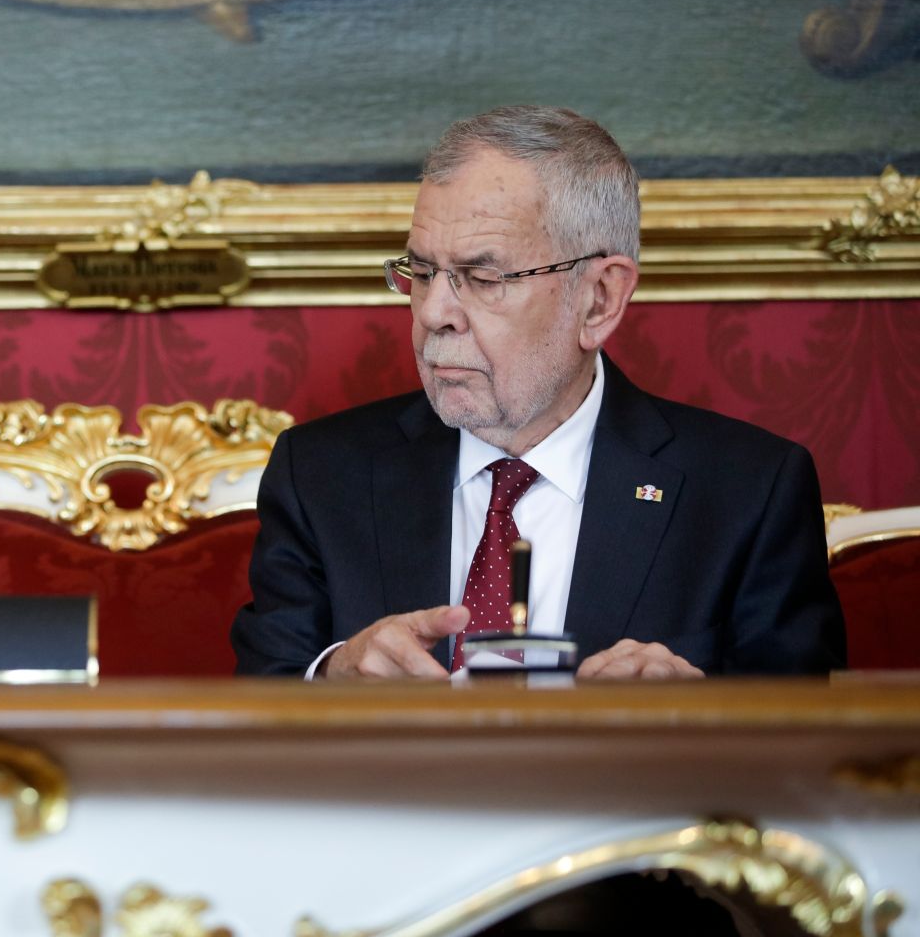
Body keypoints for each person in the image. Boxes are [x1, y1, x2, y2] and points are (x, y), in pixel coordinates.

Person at [231, 106, 845, 679]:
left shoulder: (748, 492)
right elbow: (248, 718)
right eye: (420, 272)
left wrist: (695, 723)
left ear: (599, 299)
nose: (435, 311)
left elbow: (819, 754)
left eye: (482, 276)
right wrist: (334, 676)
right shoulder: (320, 474)